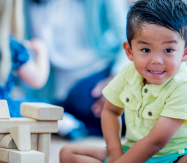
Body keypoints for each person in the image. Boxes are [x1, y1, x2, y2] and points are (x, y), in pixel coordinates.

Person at [60, 0, 187, 162]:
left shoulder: (185, 86)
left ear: (185, 53)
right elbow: (110, 111)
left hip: (176, 157)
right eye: (146, 50)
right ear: (129, 52)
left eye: (168, 50)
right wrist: (115, 152)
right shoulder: (128, 73)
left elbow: (155, 142)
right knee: (68, 152)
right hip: (133, 152)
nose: (157, 60)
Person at [23, 0, 129, 138]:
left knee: (82, 99)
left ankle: (76, 124)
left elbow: (131, 38)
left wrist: (115, 80)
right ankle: (76, 123)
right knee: (33, 106)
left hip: (101, 71)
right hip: (55, 85)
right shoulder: (26, 4)